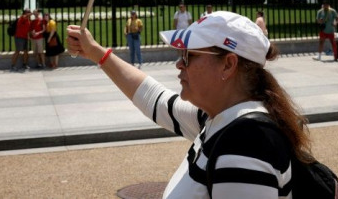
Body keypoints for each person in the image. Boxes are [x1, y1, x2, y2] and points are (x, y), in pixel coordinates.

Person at [66, 11, 314, 197]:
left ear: (228, 64)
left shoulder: (244, 144)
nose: (179, 64)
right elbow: (156, 99)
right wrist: (96, 52)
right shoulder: (219, 118)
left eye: (188, 55)